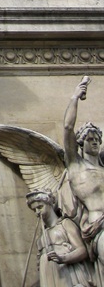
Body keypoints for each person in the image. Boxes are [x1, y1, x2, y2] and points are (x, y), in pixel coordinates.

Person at [63, 77, 104, 285]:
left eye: (97, 139)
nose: (95, 142)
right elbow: (68, 127)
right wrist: (75, 97)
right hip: (98, 226)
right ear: (81, 143)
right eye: (90, 139)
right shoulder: (76, 166)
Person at [26, 189, 94, 286]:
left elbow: (82, 250)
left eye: (40, 207)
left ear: (50, 204)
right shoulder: (41, 236)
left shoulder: (65, 224)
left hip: (69, 274)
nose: (37, 212)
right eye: (34, 209)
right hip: (50, 278)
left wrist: (63, 258)